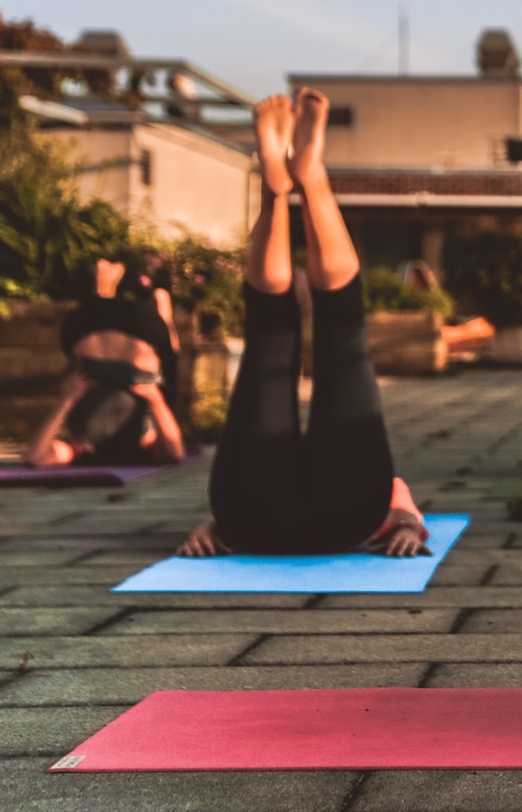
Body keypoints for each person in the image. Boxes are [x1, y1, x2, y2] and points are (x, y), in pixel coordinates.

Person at [177, 89, 427, 559]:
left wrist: (215, 523)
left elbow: (396, 490)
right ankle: (295, 183)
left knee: (341, 331)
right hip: (261, 513)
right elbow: (400, 499)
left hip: (262, 517)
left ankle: (301, 183)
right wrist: (410, 524)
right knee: (269, 336)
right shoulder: (251, 503)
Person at [23, 257, 186, 468]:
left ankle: (159, 316)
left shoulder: (79, 449)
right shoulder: (136, 444)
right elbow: (175, 454)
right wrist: (154, 399)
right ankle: (110, 295)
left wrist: (67, 401)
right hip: (96, 341)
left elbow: (35, 458)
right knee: (162, 376)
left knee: (165, 364)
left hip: (135, 352)